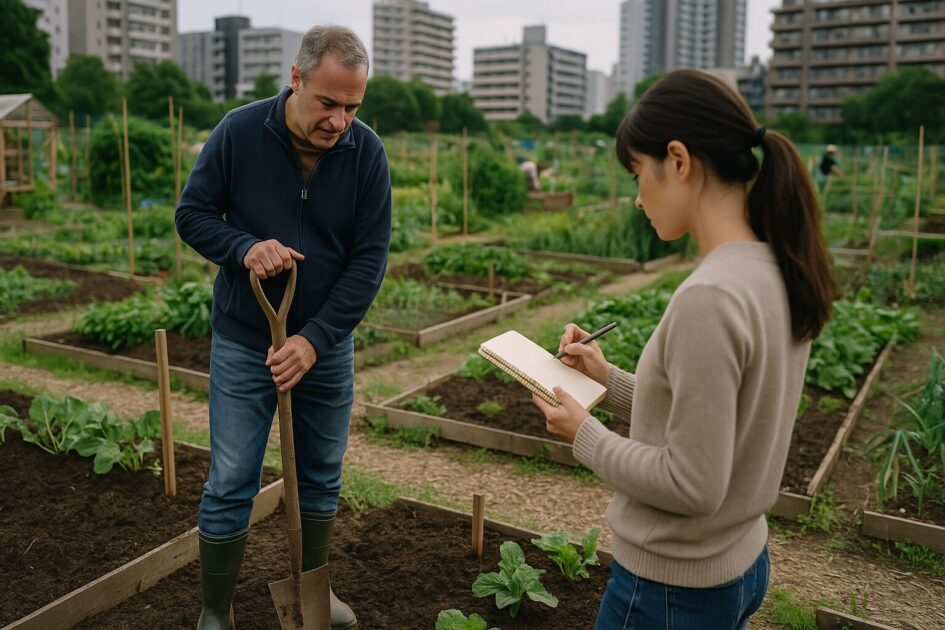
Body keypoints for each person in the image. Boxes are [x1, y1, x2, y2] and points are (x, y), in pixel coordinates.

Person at [532, 69, 834, 629]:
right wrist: (606, 378)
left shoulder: (710, 297)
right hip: (737, 561)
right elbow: (717, 416)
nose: (637, 196)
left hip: (671, 589)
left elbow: (692, 484)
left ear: (678, 160)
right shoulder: (775, 267)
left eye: (638, 173)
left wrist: (585, 435)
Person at [176, 25, 391, 630]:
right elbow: (191, 215)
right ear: (295, 80)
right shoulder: (240, 133)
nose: (340, 121)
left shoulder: (366, 153)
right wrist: (243, 247)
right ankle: (215, 611)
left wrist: (314, 340)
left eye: (353, 106)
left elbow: (369, 259)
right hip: (246, 340)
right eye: (328, 103)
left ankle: (314, 595)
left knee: (322, 474)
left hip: (323, 346)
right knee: (231, 478)